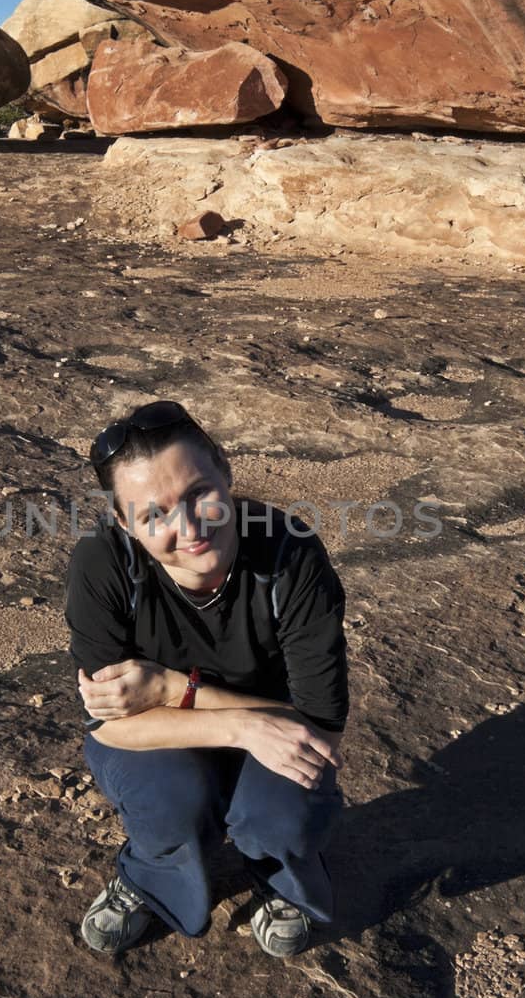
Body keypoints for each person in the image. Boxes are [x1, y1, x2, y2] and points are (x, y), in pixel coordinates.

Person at [63, 399, 350, 960]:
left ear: (225, 469)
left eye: (199, 494)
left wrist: (173, 690)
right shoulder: (102, 566)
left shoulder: (290, 555)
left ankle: (281, 878)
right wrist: (242, 725)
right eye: (153, 515)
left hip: (259, 728)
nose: (188, 528)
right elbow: (106, 726)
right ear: (125, 524)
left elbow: (321, 726)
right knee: (170, 799)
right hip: (200, 734)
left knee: (281, 811)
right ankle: (152, 878)